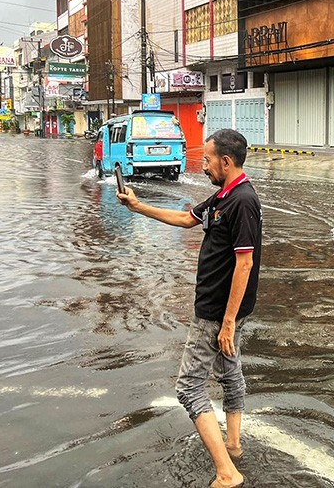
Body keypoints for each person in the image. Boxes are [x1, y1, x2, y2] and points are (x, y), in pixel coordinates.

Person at [117, 128, 261, 488]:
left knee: (188, 387)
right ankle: (233, 445)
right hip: (223, 310)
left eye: (208, 160)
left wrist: (228, 321)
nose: (203, 166)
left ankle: (227, 472)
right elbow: (185, 220)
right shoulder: (223, 196)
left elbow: (245, 263)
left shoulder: (243, 201)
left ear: (226, 161)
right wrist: (137, 206)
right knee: (229, 370)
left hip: (217, 311)